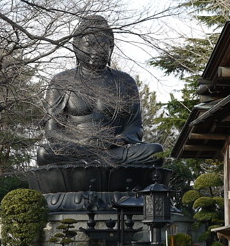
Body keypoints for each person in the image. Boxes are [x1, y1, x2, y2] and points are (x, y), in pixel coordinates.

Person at [37, 16, 163, 166]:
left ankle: (92, 164)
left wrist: (118, 139)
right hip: (77, 148)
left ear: (111, 47)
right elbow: (52, 131)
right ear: (76, 47)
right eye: (89, 44)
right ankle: (98, 164)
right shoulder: (61, 81)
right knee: (44, 153)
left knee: (155, 152)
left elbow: (135, 127)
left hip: (114, 149)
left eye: (104, 44)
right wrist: (79, 141)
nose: (98, 50)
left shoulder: (125, 81)